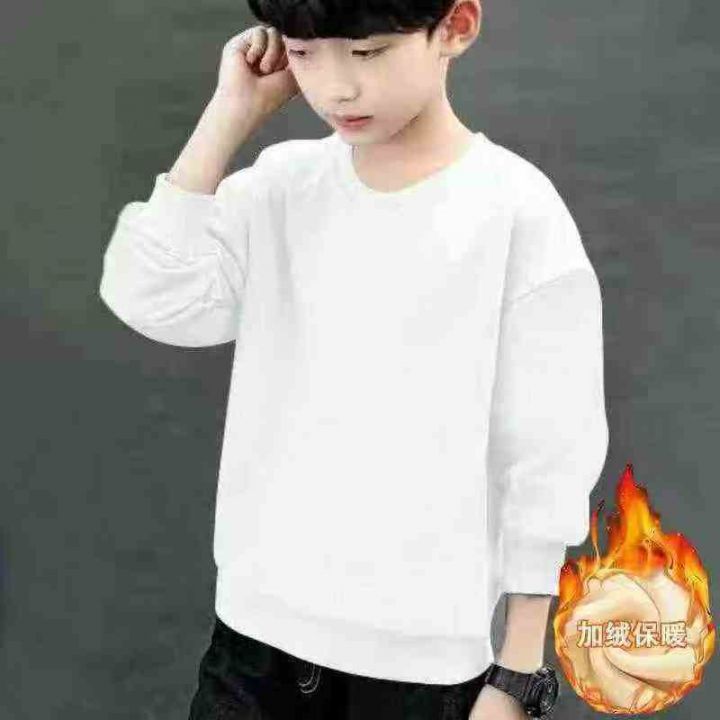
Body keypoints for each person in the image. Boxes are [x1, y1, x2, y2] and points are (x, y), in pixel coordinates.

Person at [98, 1, 610, 718]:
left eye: (368, 53)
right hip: (253, 650)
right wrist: (230, 113)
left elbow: (547, 455)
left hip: (419, 673)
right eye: (305, 54)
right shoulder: (283, 185)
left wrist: (516, 676)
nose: (337, 87)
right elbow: (152, 296)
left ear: (456, 26)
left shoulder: (514, 210)